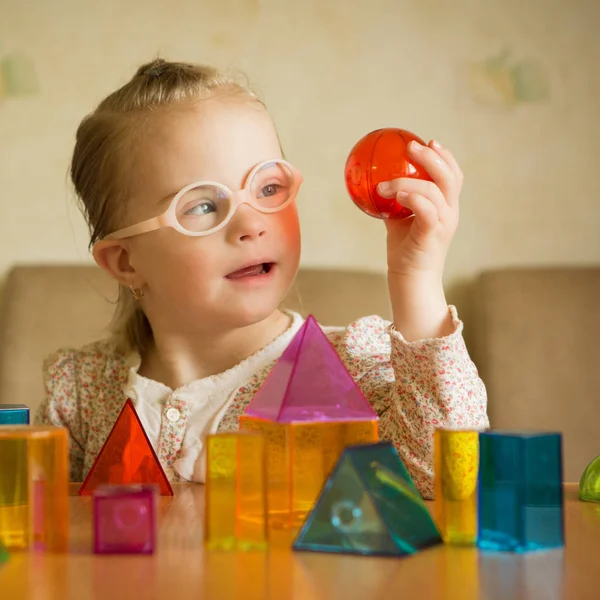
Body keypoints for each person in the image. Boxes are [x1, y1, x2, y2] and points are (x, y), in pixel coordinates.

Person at [36, 59, 488, 499]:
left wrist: (417, 277)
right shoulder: (81, 392)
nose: (250, 224)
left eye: (268, 188)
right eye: (201, 205)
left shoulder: (348, 366)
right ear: (125, 261)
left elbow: (445, 473)